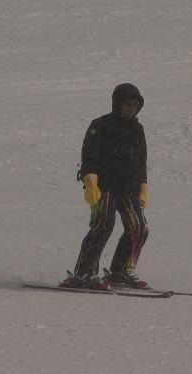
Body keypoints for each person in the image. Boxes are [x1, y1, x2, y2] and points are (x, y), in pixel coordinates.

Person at [63, 83, 150, 290]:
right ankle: (84, 272)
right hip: (104, 186)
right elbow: (89, 155)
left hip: (129, 187)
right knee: (103, 226)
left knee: (139, 227)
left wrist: (143, 184)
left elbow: (141, 160)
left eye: (135, 105)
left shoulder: (137, 129)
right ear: (117, 104)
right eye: (127, 104)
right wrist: (90, 180)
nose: (131, 109)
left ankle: (122, 270)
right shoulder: (100, 125)